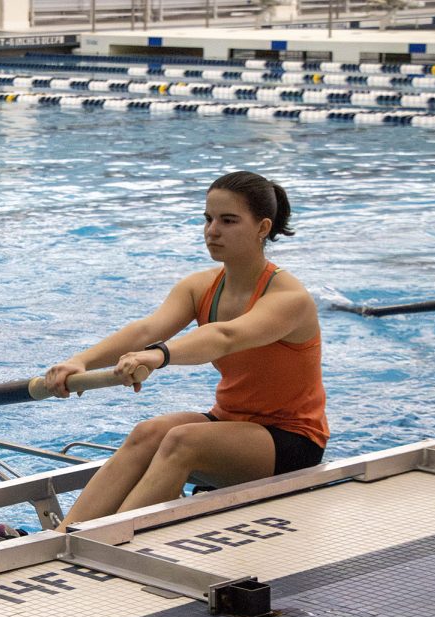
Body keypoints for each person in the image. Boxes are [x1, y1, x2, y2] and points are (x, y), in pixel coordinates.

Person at [44, 171, 328, 531]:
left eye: (228, 221)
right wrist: (79, 361)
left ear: (262, 227)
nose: (212, 230)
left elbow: (225, 336)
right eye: (208, 219)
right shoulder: (200, 287)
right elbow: (146, 329)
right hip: (230, 424)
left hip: (291, 441)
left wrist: (158, 355)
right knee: (148, 432)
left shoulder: (289, 299)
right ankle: (62, 536)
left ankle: (106, 539)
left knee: (182, 439)